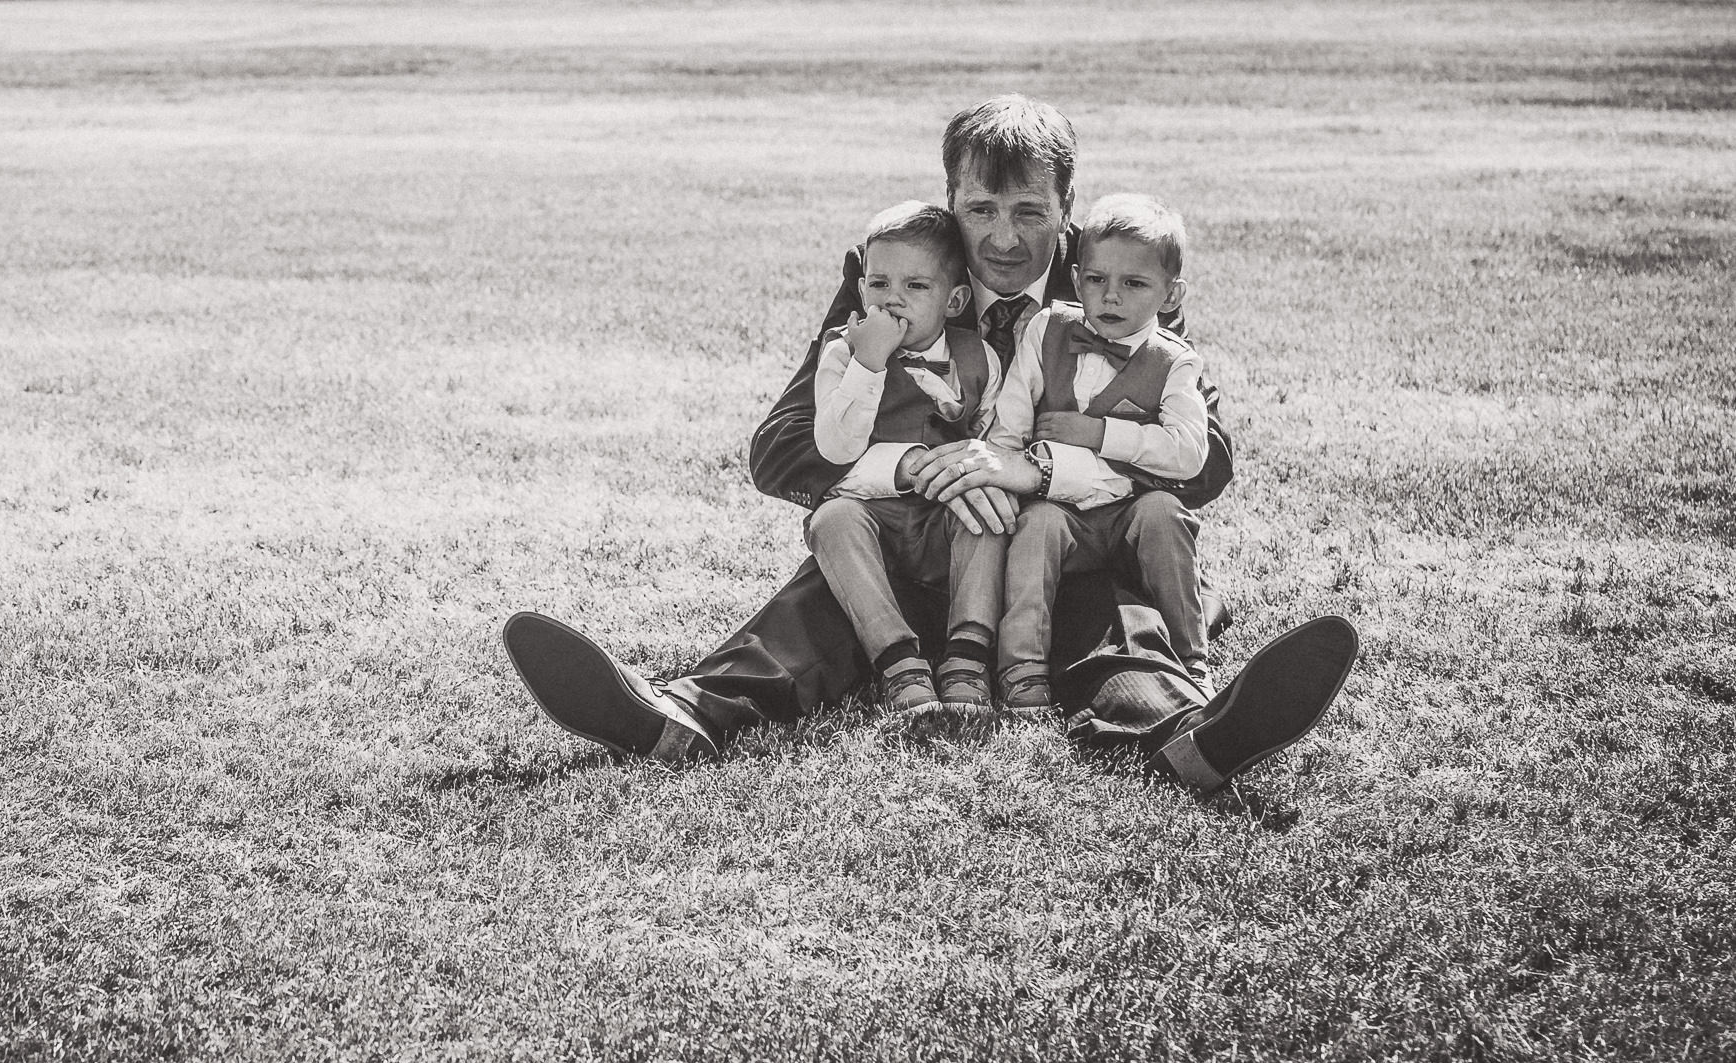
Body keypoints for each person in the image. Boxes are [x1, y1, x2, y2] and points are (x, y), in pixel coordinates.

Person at [500, 95, 1360, 794]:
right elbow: (783, 449)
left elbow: (1203, 462)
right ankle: (682, 713)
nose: (1005, 237)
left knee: (1112, 622)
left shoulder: (1117, 275)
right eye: (980, 209)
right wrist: (911, 465)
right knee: (823, 591)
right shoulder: (897, 275)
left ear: (1068, 207)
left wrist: (1037, 468)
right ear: (951, 201)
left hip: (1064, 551)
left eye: (1031, 210)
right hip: (917, 549)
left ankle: (1190, 732)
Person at [986, 193, 1211, 718]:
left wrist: (1098, 433)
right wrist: (1002, 470)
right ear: (1077, 275)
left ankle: (1192, 661)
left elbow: (1189, 454)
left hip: (1130, 512)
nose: (1110, 297)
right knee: (1035, 526)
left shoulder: (1174, 363)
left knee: (1165, 514)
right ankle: (1022, 671)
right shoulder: (1047, 331)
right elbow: (1009, 425)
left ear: (1171, 295)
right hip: (1060, 510)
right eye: (1095, 279)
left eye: (1134, 284)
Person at [803, 200, 1005, 731]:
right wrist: (869, 363)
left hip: (948, 519)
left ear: (954, 298)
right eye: (878, 284)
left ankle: (968, 654)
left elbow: (991, 440)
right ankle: (899, 663)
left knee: (990, 506)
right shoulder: (843, 355)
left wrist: (971, 471)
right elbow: (834, 448)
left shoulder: (982, 358)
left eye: (916, 287)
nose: (892, 298)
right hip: (877, 522)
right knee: (831, 519)